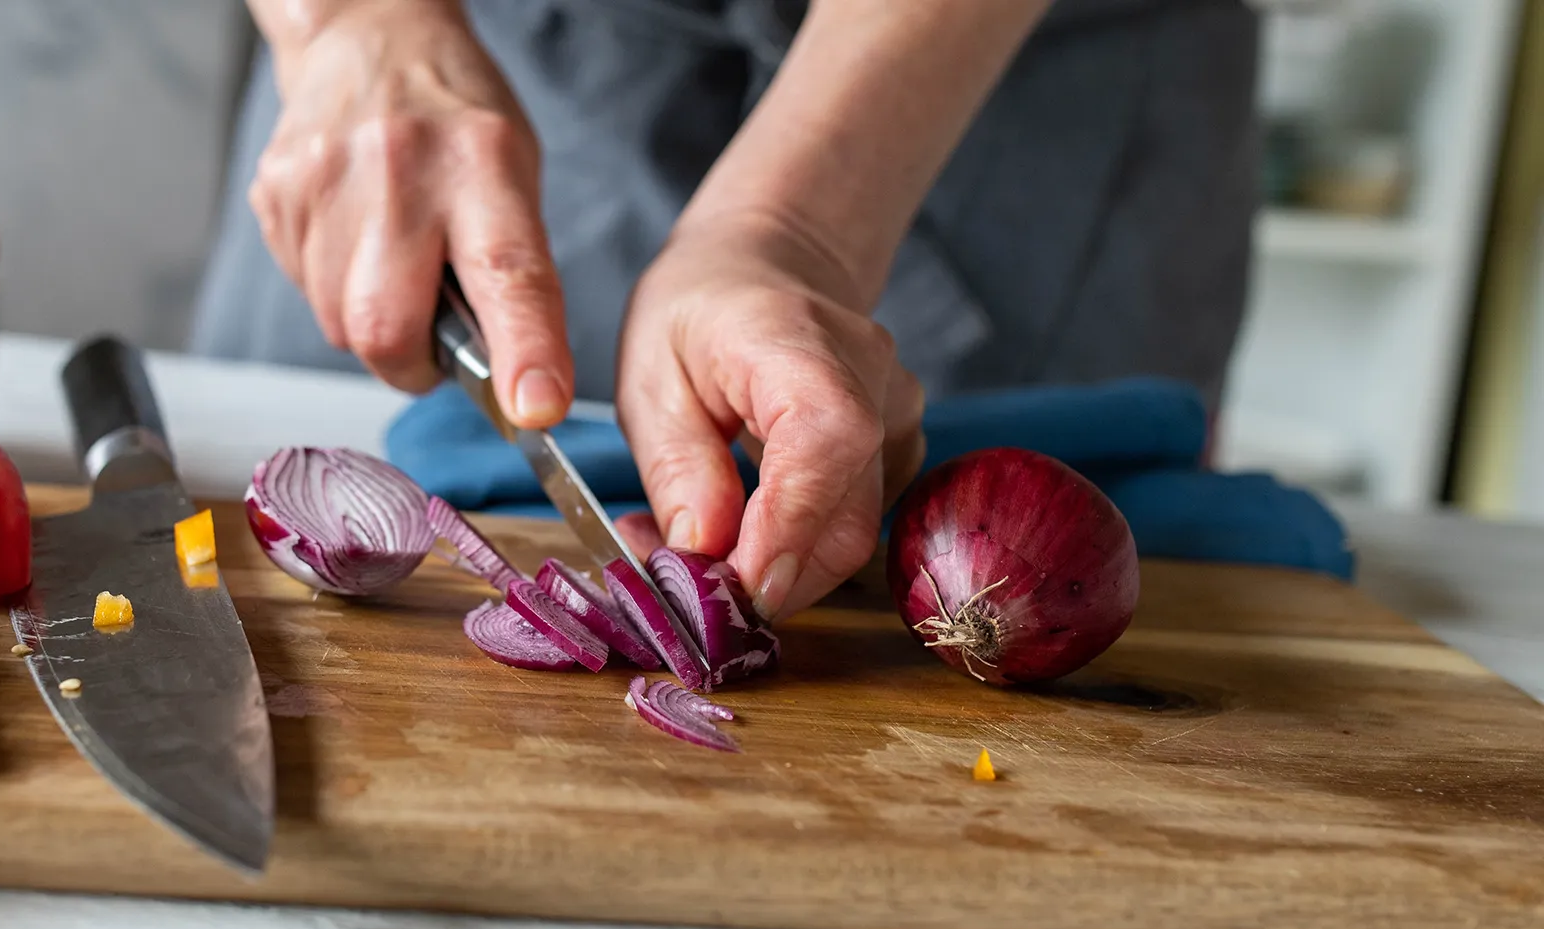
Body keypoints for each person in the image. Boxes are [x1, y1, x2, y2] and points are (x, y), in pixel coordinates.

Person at [192, 0, 1260, 620]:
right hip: (466, 53)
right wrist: (345, 25)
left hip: (1005, 83)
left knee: (997, 564)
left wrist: (797, 229)